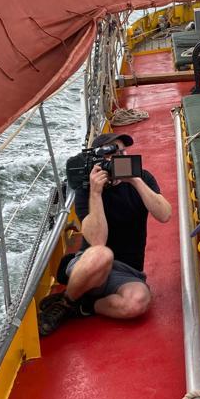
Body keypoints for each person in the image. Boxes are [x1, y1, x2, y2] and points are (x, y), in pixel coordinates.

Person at [38, 132, 172, 336]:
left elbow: (164, 214)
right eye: (113, 153)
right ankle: (66, 303)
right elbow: (97, 240)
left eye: (123, 151)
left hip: (126, 271)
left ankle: (84, 307)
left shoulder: (143, 178)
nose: (121, 156)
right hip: (91, 263)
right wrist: (96, 193)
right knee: (103, 254)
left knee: (138, 302)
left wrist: (135, 181)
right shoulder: (87, 188)